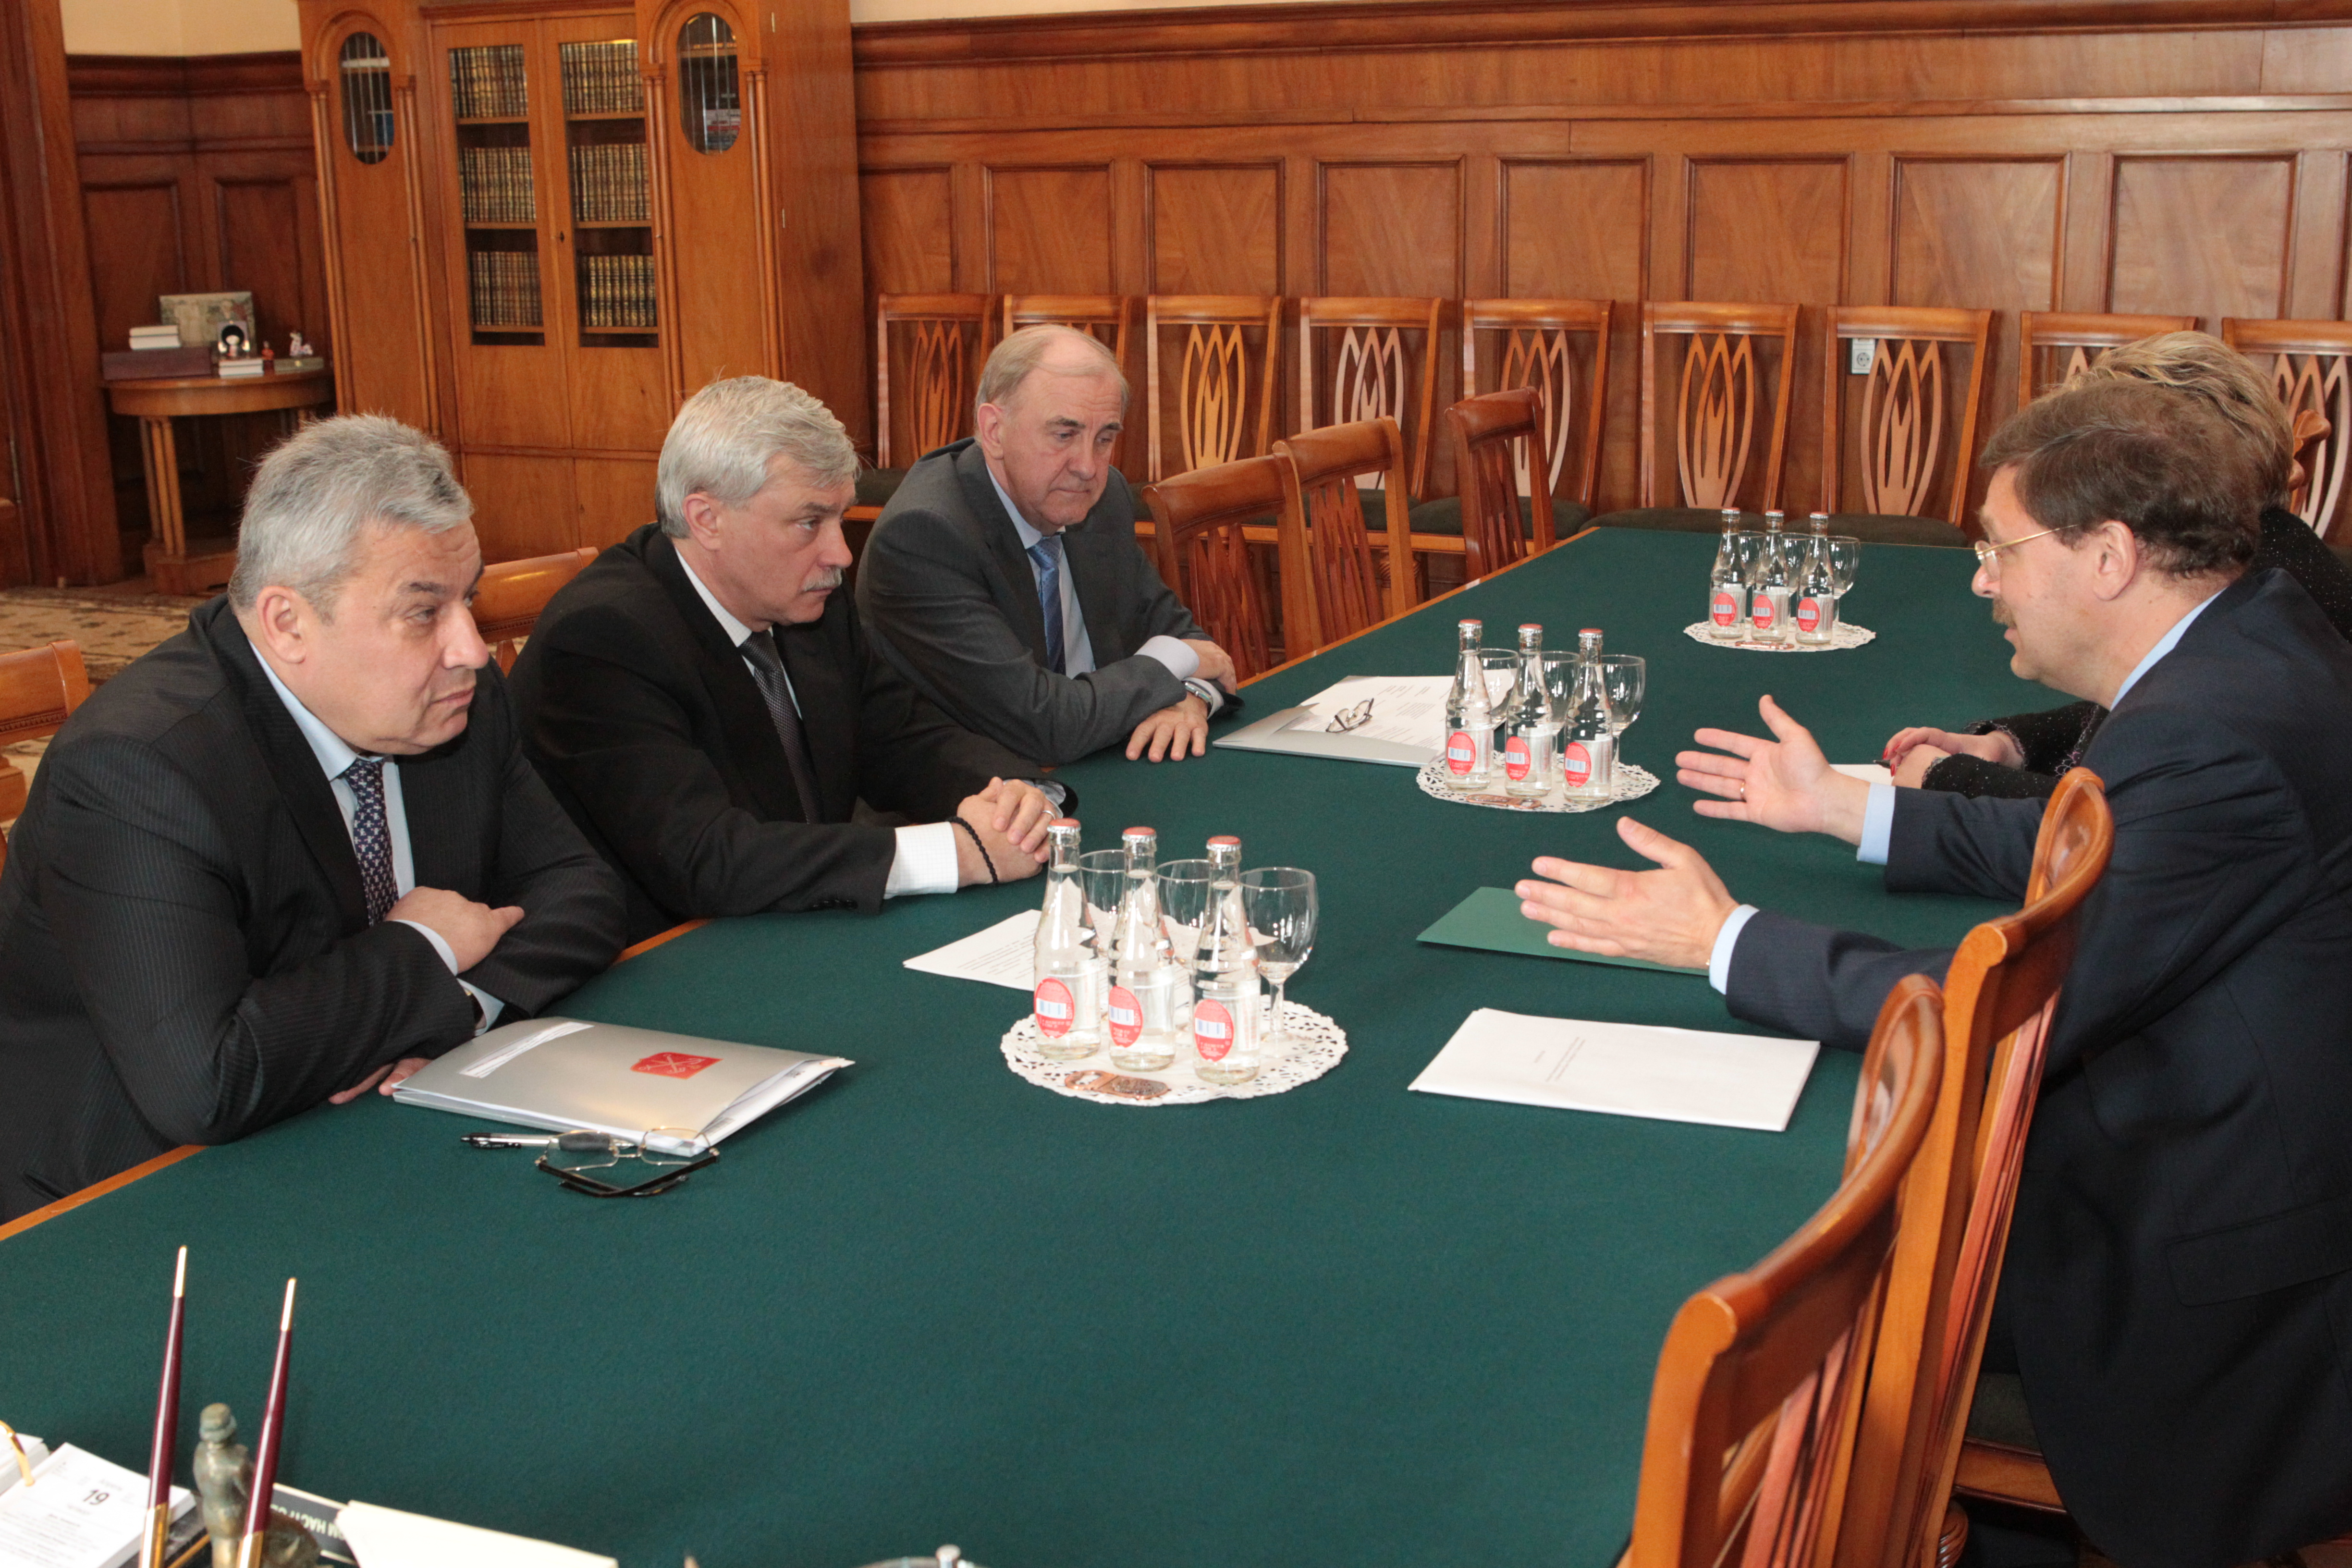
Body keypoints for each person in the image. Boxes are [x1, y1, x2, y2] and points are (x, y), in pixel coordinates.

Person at [1515, 378, 2352, 1568]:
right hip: (2220, 1154)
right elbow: (2095, 846)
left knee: (1725, 1277)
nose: (1980, 582)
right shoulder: (2247, 640)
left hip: (2208, 1283)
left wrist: (1724, 940)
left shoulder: (2212, 732)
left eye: (1998, 550)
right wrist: (1849, 809)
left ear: (2109, 557)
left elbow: (2016, 1002)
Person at [0, 416, 626, 1221]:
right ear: (287, 622)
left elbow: (580, 890)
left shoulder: (451, 702)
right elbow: (206, 1083)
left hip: (356, 1132)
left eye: (467, 600)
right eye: (424, 611)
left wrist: (455, 1005)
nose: (471, 648)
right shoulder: (139, 769)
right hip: (127, 1198)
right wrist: (426, 947)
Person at [508, 376, 1065, 945]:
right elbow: (707, 858)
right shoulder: (604, 639)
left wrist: (1013, 795)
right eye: (809, 523)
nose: (840, 554)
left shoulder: (806, 599)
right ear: (706, 519)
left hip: (797, 923)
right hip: (660, 956)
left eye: (840, 518)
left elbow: (900, 736)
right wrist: (955, 854)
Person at [1884, 331, 2352, 796]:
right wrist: (2013, 744)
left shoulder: (2253, 592)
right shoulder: (2255, 555)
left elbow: (2131, 807)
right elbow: (2132, 707)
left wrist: (1950, 779)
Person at [856, 325, 1239, 765]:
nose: (1088, 467)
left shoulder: (1100, 499)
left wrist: (1188, 696)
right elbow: (1044, 724)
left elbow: (1183, 636)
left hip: (1096, 764)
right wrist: (1176, 663)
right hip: (982, 790)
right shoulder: (925, 537)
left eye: (1104, 439)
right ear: (994, 430)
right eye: (1064, 435)